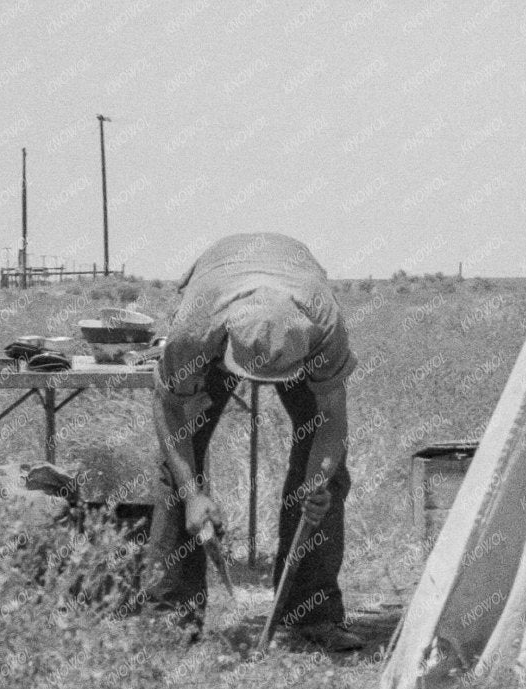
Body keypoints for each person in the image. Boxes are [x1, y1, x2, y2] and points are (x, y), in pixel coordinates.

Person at [145, 231, 364, 652]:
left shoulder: (324, 328)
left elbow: (332, 421)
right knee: (176, 468)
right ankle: (171, 621)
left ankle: (313, 615)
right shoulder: (196, 328)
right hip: (220, 288)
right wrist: (193, 495)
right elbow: (169, 407)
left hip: (296, 282)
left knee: (327, 477)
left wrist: (317, 482)